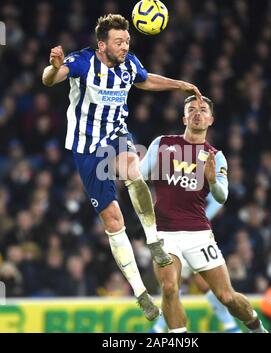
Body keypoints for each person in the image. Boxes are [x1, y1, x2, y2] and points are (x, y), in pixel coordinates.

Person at [42, 14, 202, 321]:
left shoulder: (129, 65)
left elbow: (145, 79)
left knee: (132, 170)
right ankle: (140, 292)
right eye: (119, 42)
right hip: (87, 149)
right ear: (102, 45)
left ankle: (154, 240)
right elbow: (50, 78)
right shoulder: (83, 62)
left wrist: (180, 84)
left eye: (127, 41)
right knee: (114, 222)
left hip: (116, 136)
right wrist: (53, 64)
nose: (125, 46)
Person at [140, 94, 268, 332]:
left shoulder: (215, 156)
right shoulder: (162, 143)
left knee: (227, 296)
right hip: (164, 233)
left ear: (211, 119)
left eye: (202, 110)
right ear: (184, 117)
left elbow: (222, 196)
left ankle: (256, 327)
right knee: (169, 288)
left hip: (198, 233)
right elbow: (139, 176)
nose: (197, 113)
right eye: (191, 109)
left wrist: (212, 180)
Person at [147, 193, 241, 333]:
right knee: (175, 284)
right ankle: (231, 327)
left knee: (193, 283)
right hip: (175, 235)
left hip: (195, 237)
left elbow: (216, 201)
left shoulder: (196, 178)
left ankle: (231, 326)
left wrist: (196, 220)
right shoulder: (171, 180)